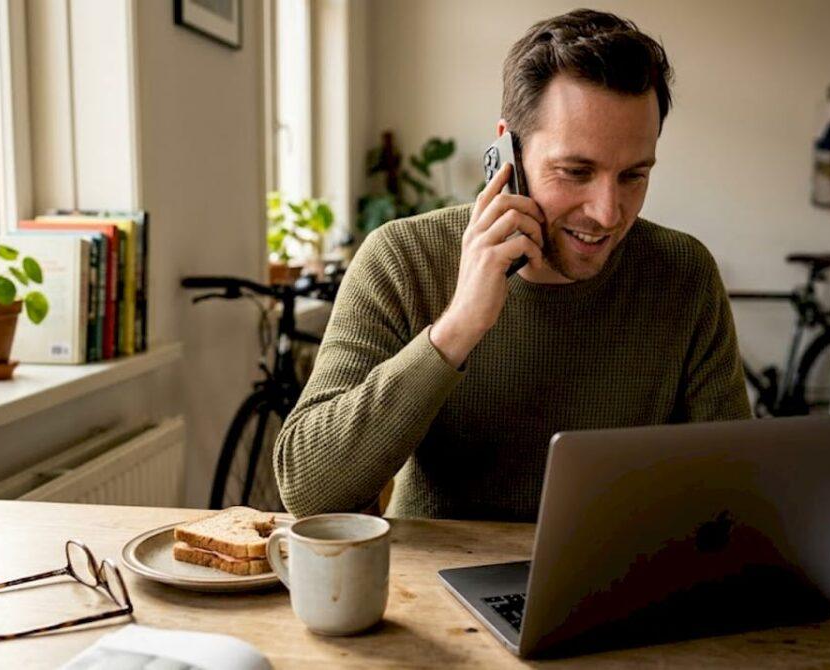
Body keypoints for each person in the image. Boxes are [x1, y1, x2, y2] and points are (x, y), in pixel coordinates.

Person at [274, 9, 751, 521]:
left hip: (615, 581)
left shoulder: (684, 274)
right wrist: (457, 328)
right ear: (508, 149)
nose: (608, 213)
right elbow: (308, 489)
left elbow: (734, 492)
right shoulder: (403, 257)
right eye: (576, 171)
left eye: (633, 175)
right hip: (432, 586)